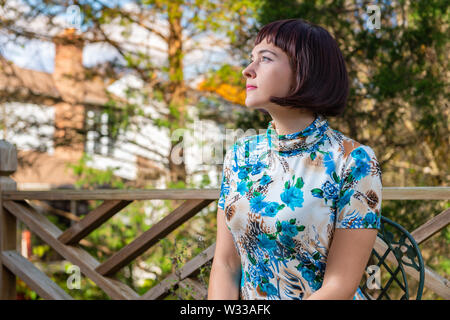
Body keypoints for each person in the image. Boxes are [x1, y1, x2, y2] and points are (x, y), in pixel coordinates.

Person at [208, 18, 382, 300]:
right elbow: (227, 265)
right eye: (252, 58)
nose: (247, 71)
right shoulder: (240, 156)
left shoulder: (355, 161)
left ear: (305, 71)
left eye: (264, 59)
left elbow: (340, 286)